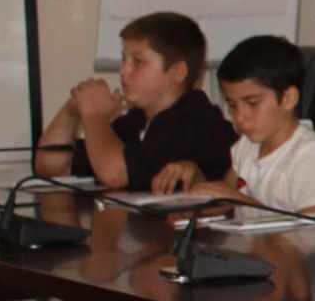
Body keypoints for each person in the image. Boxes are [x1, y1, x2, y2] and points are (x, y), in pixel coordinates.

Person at [151, 35, 315, 217]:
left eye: (253, 103)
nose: (239, 118)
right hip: (249, 246)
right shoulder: (247, 145)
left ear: (288, 98)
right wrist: (195, 177)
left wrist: (243, 202)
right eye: (232, 105)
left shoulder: (313, 157)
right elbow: (224, 199)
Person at [35, 11, 234, 191]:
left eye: (138, 62)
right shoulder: (137, 119)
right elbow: (52, 167)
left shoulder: (194, 123)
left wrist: (94, 116)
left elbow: (115, 175)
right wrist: (71, 111)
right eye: (124, 60)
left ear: (177, 72)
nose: (123, 71)